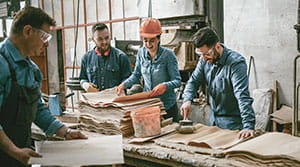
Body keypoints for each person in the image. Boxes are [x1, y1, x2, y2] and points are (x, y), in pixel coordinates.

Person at [0, 6, 87, 166]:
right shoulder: (2, 64)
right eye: (44, 36)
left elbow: (37, 109)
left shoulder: (32, 70)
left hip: (21, 154)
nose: (46, 44)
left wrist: (65, 132)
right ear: (27, 31)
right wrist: (13, 151)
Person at [180, 27, 255, 139]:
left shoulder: (236, 63)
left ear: (217, 46)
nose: (204, 59)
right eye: (201, 55)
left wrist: (248, 126)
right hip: (214, 120)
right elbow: (194, 81)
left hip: (233, 123)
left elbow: (242, 96)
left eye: (207, 54)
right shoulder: (204, 60)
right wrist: (187, 100)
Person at [117, 18, 181, 122]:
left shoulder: (168, 55)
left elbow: (177, 81)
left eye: (152, 41)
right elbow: (136, 75)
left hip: (167, 106)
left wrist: (165, 85)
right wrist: (123, 85)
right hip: (149, 105)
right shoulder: (141, 53)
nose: (148, 44)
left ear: (159, 38)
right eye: (145, 40)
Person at [79, 23, 131, 92]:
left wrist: (122, 87)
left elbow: (128, 79)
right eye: (100, 39)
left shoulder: (121, 57)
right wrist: (85, 84)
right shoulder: (86, 58)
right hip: (93, 100)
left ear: (110, 36)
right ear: (93, 39)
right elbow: (82, 78)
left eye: (107, 38)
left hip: (115, 100)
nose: (104, 42)